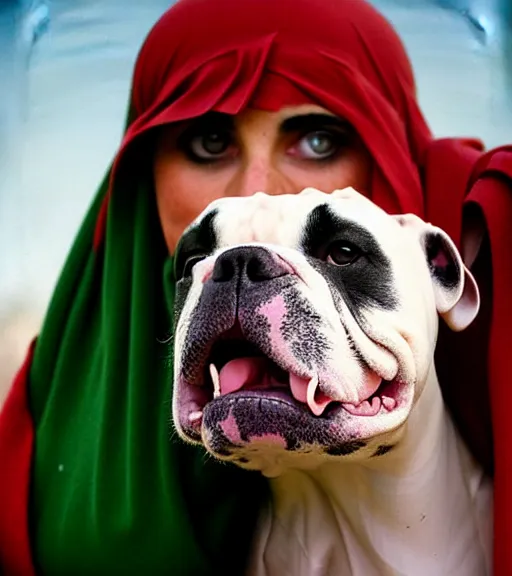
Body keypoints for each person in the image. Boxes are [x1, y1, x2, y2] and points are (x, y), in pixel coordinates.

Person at [1, 0, 511, 573]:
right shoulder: (32, 428)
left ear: (389, 158)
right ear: (144, 171)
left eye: (318, 141)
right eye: (209, 144)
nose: (254, 190)